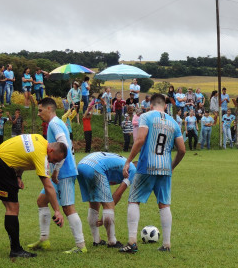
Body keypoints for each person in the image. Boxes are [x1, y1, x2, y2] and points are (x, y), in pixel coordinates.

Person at [0, 134, 67, 258]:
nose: (52, 162)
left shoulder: (39, 139)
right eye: (54, 159)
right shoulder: (41, 155)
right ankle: (15, 249)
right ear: (50, 150)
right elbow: (48, 186)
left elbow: (21, 154)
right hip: (3, 166)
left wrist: (18, 176)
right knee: (13, 208)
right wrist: (57, 211)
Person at [118, 93, 186, 254]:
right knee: (164, 204)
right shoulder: (173, 122)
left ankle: (132, 242)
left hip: (147, 166)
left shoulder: (146, 116)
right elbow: (182, 150)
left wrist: (128, 161)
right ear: (165, 106)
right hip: (165, 168)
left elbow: (140, 139)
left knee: (134, 200)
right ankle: (166, 244)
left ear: (151, 105)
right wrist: (172, 166)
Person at [28, 97, 87, 254]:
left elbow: (64, 145)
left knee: (67, 207)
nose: (39, 114)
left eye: (40, 110)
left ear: (49, 109)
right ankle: (44, 240)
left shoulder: (54, 123)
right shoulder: (57, 123)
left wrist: (56, 171)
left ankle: (81, 246)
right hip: (59, 173)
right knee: (41, 201)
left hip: (64, 173)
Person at [77, 152, 137, 248]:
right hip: (95, 167)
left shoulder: (123, 164)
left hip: (81, 165)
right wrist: (105, 213)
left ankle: (96, 240)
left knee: (94, 202)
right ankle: (112, 241)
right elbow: (117, 194)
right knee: (108, 205)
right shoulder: (133, 170)